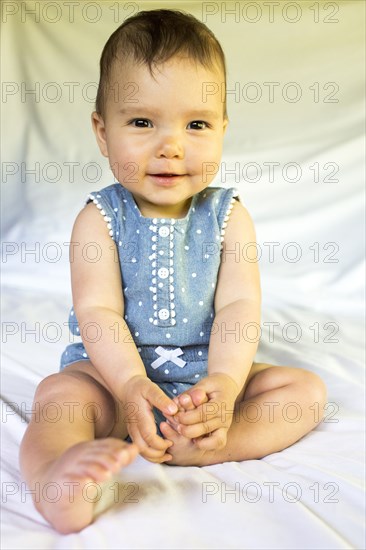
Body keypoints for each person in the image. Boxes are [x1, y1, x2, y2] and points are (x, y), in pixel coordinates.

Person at [19, 9, 327, 534]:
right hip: (114, 384)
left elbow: (238, 307)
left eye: (197, 124)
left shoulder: (229, 216)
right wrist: (129, 383)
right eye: (142, 122)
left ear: (223, 130)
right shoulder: (100, 218)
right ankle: (57, 480)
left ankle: (206, 445)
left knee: (304, 392)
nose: (171, 145)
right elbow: (97, 312)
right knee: (58, 398)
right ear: (101, 130)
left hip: (207, 385)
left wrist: (227, 387)